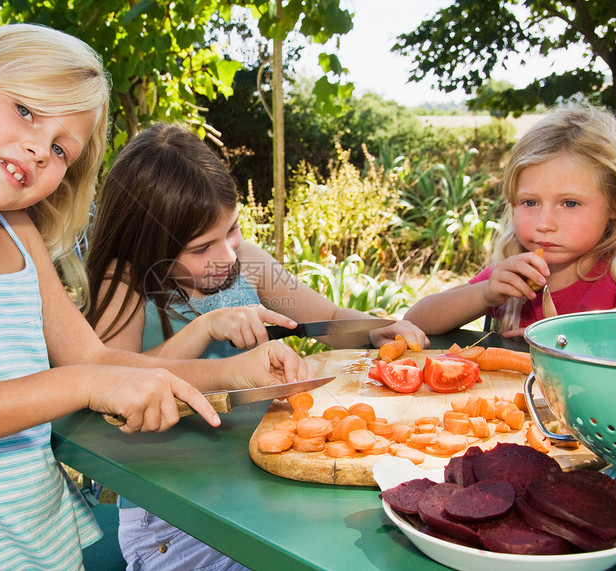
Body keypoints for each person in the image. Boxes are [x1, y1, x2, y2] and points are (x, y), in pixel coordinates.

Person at [0, 24, 313, 570]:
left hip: (34, 549)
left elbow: (96, 359)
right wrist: (83, 384)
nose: (41, 148)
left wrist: (233, 374)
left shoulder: (18, 235)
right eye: (26, 110)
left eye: (64, 147)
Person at [84, 122, 428, 570]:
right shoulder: (125, 282)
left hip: (258, 481)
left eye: (233, 229)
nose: (226, 255)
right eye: (202, 246)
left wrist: (374, 329)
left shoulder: (247, 264)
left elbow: (327, 321)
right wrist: (203, 327)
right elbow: (111, 377)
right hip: (172, 515)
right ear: (149, 244)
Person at [404, 104, 616, 337]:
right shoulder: (518, 272)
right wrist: (485, 293)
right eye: (530, 203)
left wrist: (560, 336)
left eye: (570, 203)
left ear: (615, 205)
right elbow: (415, 321)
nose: (544, 223)